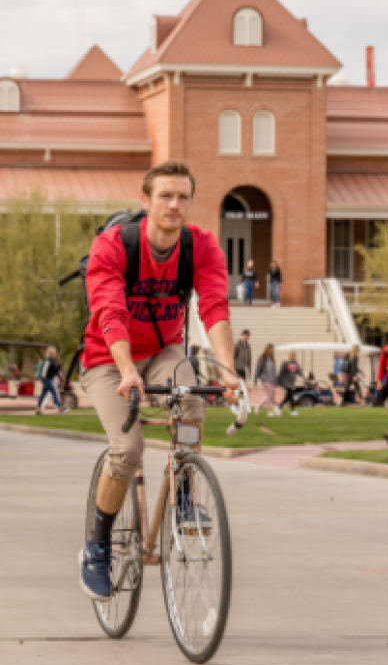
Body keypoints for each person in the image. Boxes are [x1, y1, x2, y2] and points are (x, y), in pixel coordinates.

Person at [78, 159, 238, 602]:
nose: (174, 204)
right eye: (165, 196)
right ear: (145, 200)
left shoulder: (200, 246)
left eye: (183, 196)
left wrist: (227, 369)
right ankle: (97, 546)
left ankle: (184, 492)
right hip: (108, 358)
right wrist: (127, 369)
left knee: (191, 402)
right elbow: (109, 312)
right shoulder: (113, 246)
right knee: (127, 451)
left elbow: (215, 308)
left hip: (165, 352)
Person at [34, 347, 61, 415]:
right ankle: (59, 407)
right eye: (54, 352)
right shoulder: (48, 360)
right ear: (51, 353)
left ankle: (38, 409)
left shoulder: (53, 360)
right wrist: (43, 379)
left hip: (48, 379)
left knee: (43, 395)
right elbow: (44, 370)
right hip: (47, 379)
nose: (55, 353)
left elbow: (54, 371)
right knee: (54, 392)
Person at [254, 343, 278, 417]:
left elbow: (274, 371)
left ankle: (258, 406)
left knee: (271, 396)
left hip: (272, 380)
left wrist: (276, 380)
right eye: (270, 349)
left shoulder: (272, 359)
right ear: (267, 349)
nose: (271, 351)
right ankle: (269, 411)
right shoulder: (262, 358)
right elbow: (258, 369)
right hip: (265, 379)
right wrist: (255, 379)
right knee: (269, 394)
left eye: (272, 350)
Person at [276, 349, 301, 417]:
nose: (292, 355)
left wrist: (304, 376)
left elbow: (299, 371)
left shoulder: (295, 363)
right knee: (290, 395)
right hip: (286, 382)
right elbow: (281, 372)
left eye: (293, 354)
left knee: (288, 396)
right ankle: (293, 410)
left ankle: (279, 407)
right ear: (288, 355)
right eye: (290, 354)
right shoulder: (285, 362)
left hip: (291, 382)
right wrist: (278, 381)